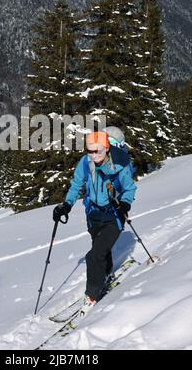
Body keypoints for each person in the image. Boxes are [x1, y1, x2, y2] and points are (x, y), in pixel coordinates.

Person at [53, 130, 137, 316]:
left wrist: (125, 204)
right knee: (100, 250)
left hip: (113, 217)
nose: (94, 156)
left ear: (107, 149)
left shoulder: (119, 166)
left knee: (94, 256)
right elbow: (76, 184)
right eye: (90, 151)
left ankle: (91, 295)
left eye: (98, 151)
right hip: (93, 215)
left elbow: (130, 188)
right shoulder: (85, 162)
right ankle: (105, 274)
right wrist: (66, 205)